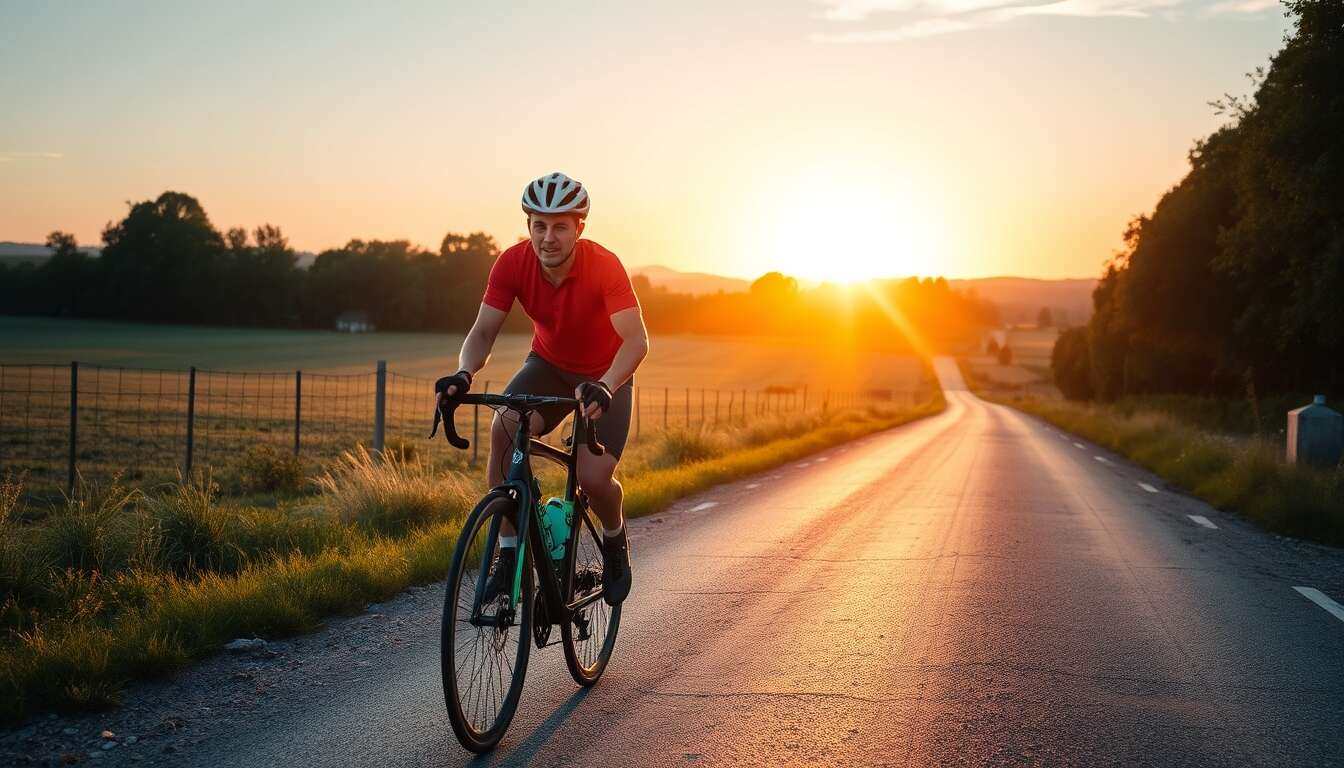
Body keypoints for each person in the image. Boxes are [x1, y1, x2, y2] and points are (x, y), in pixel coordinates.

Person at [437, 172, 649, 606]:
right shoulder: (512, 263)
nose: (548, 237)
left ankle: (613, 537)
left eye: (560, 227)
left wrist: (607, 385)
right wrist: (463, 374)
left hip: (605, 376)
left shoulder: (604, 264)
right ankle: (509, 555)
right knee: (505, 428)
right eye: (539, 225)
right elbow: (482, 332)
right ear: (529, 225)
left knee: (592, 478)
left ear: (578, 229)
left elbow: (636, 341)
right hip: (549, 366)